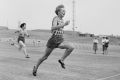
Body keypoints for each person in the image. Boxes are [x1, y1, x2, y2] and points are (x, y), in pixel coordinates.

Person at [32, 4, 74, 76]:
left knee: (71, 47)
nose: (64, 13)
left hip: (60, 40)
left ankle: (61, 60)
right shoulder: (56, 18)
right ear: (58, 12)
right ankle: (35, 67)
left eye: (65, 11)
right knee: (45, 57)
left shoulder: (62, 20)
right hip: (53, 40)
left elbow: (59, 29)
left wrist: (62, 28)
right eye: (63, 11)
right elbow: (52, 28)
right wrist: (64, 25)